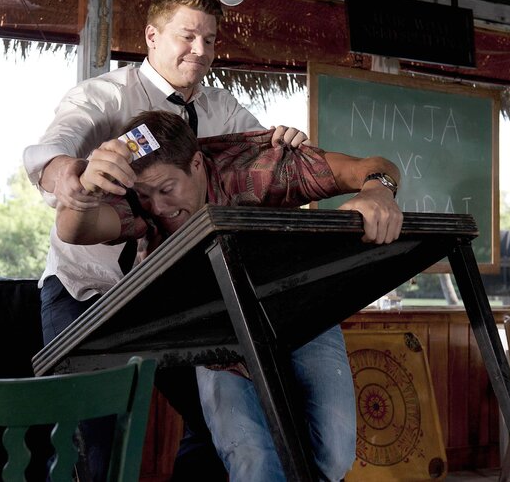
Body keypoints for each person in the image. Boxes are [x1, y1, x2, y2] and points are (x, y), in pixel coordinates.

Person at [22, 0, 308, 480]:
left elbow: (260, 169)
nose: (200, 50)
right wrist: (71, 173)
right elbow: (51, 150)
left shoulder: (223, 110)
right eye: (187, 36)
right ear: (152, 37)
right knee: (93, 449)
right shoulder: (104, 96)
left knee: (221, 428)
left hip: (173, 296)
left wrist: (285, 145)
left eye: (210, 40)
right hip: (89, 292)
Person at [55, 109, 403, 481]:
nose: (158, 207)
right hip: (220, 339)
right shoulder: (144, 203)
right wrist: (85, 192)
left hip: (300, 315)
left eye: (167, 189)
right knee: (253, 464)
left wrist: (378, 191)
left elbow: (373, 167)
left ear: (196, 164)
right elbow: (75, 230)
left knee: (333, 453)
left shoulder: (256, 168)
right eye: (146, 195)